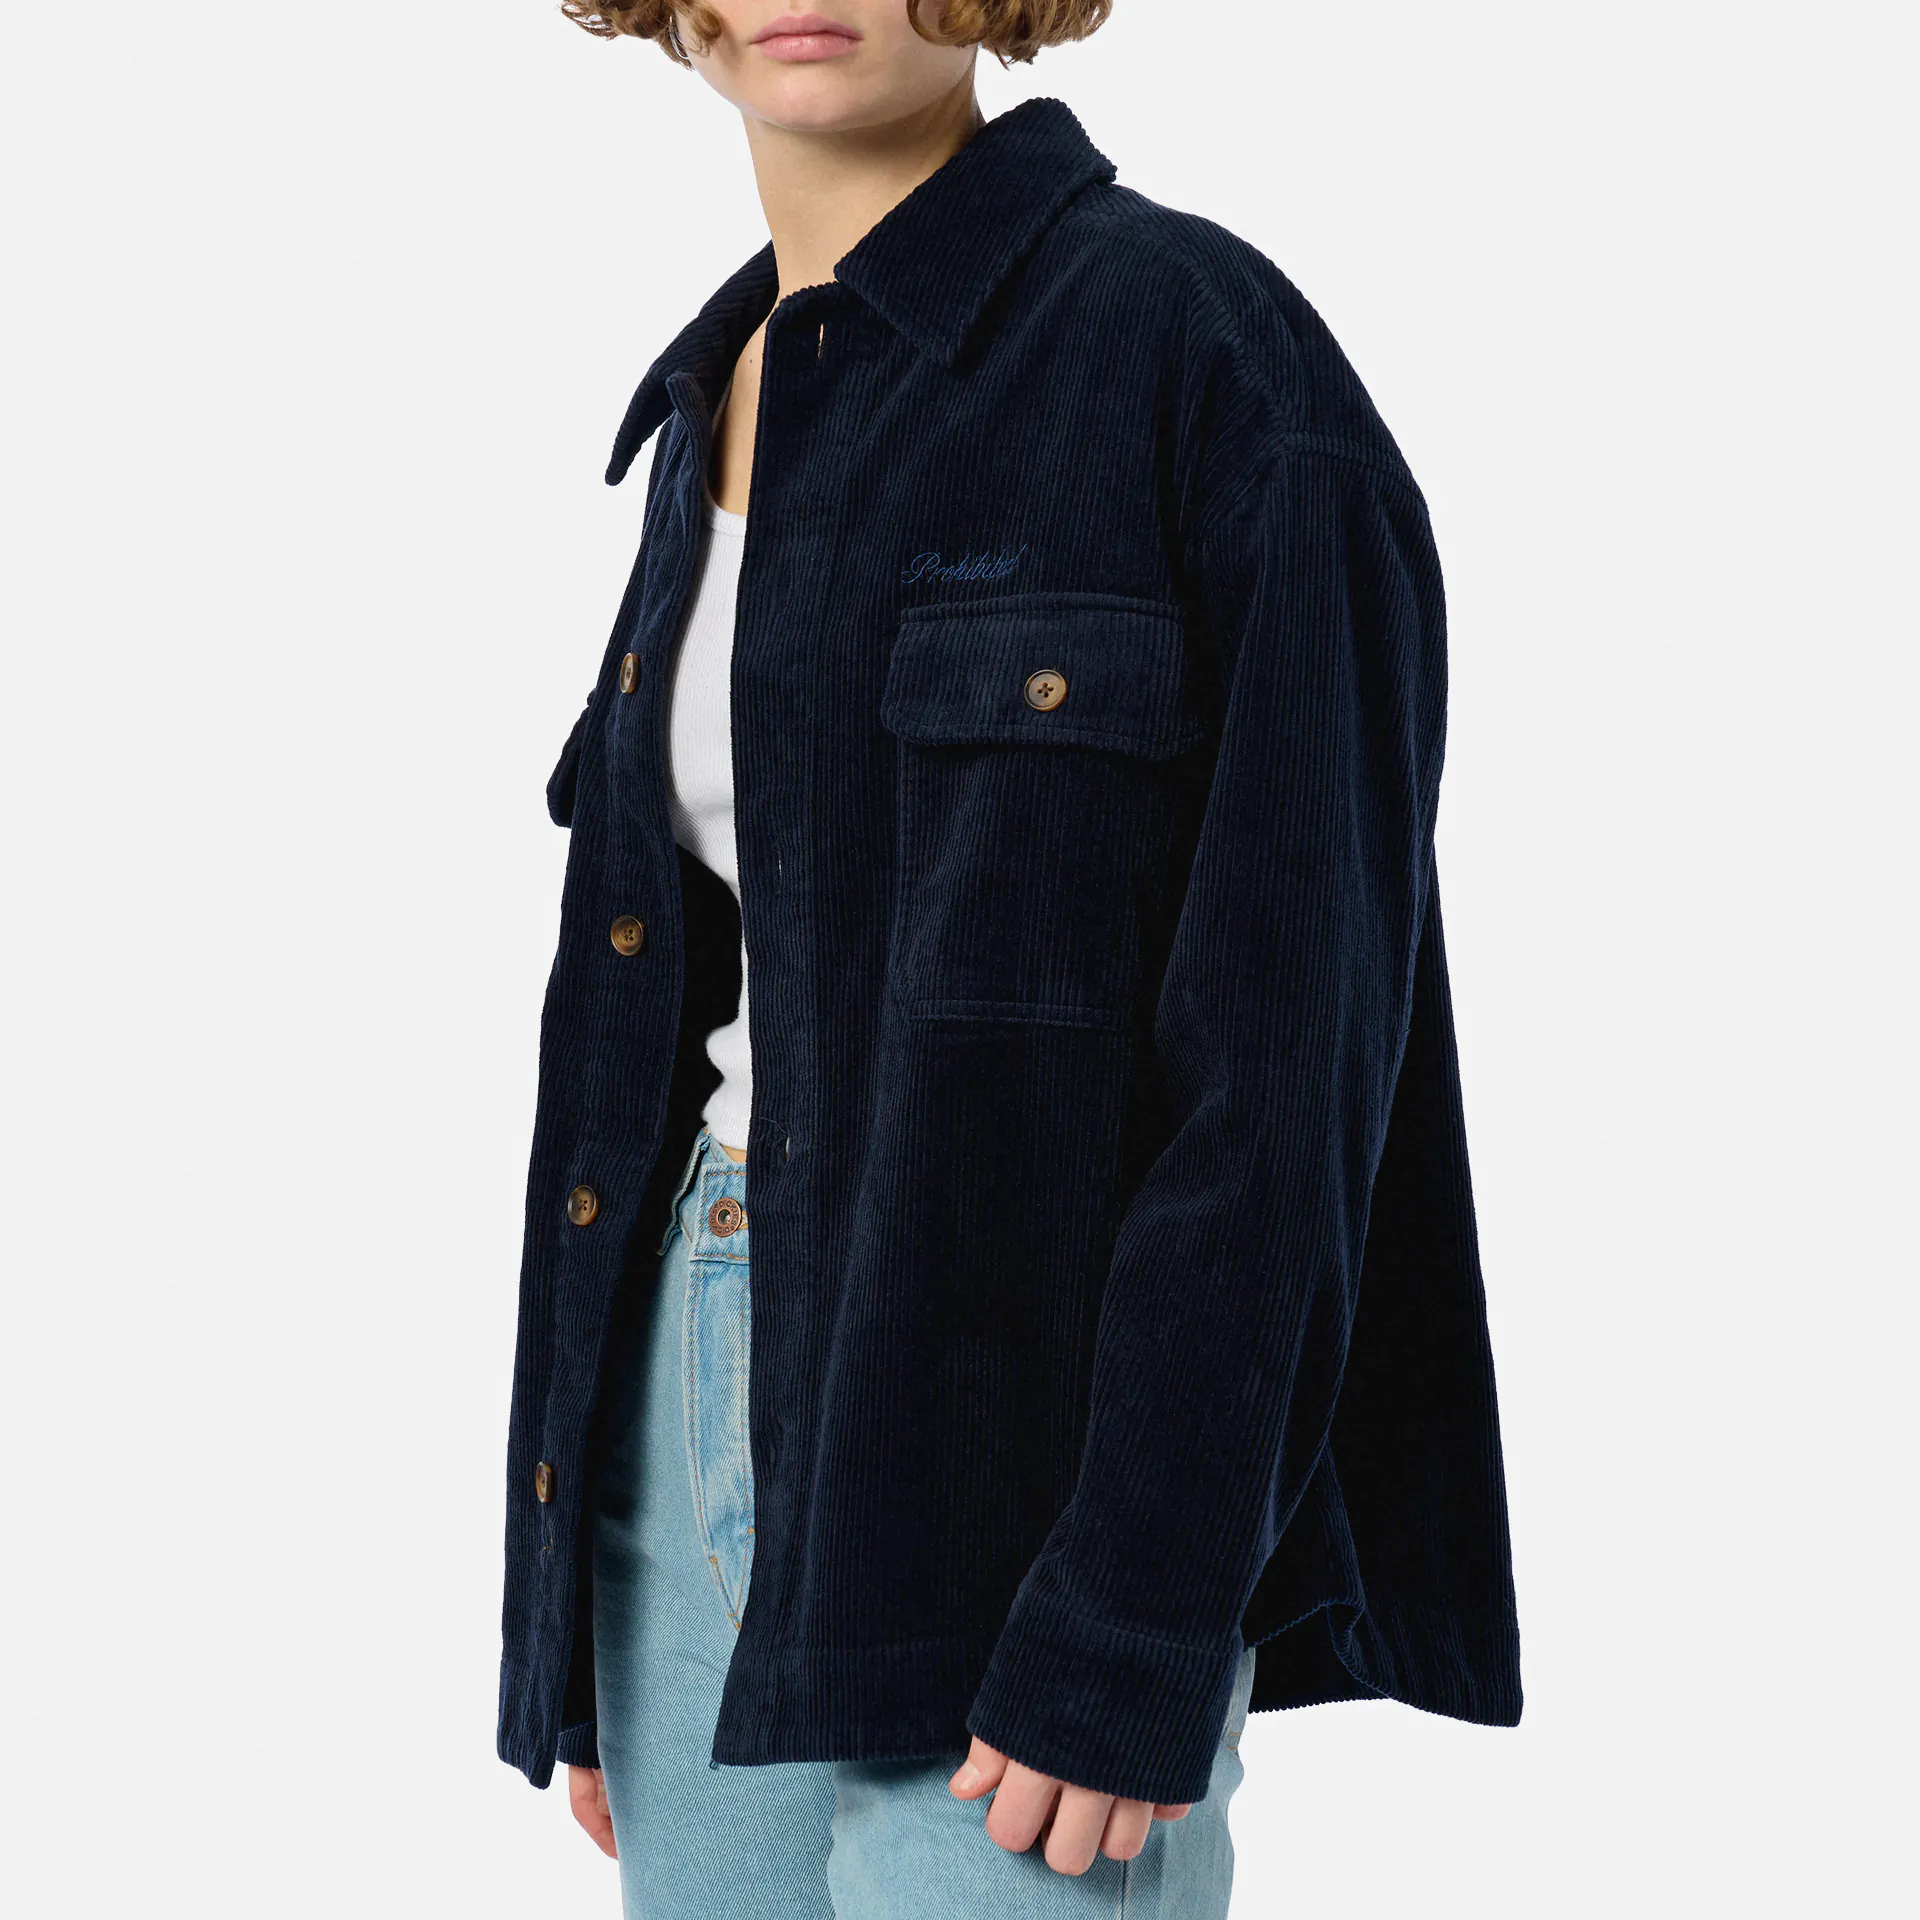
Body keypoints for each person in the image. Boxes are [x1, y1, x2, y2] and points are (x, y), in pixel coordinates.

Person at [496, 5, 1523, 1915]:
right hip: (682, 1396)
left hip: (1023, 1460)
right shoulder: (716, 393)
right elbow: (648, 1019)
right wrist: (565, 1609)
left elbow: (1291, 1075)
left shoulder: (1200, 356)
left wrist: (1139, 1608)